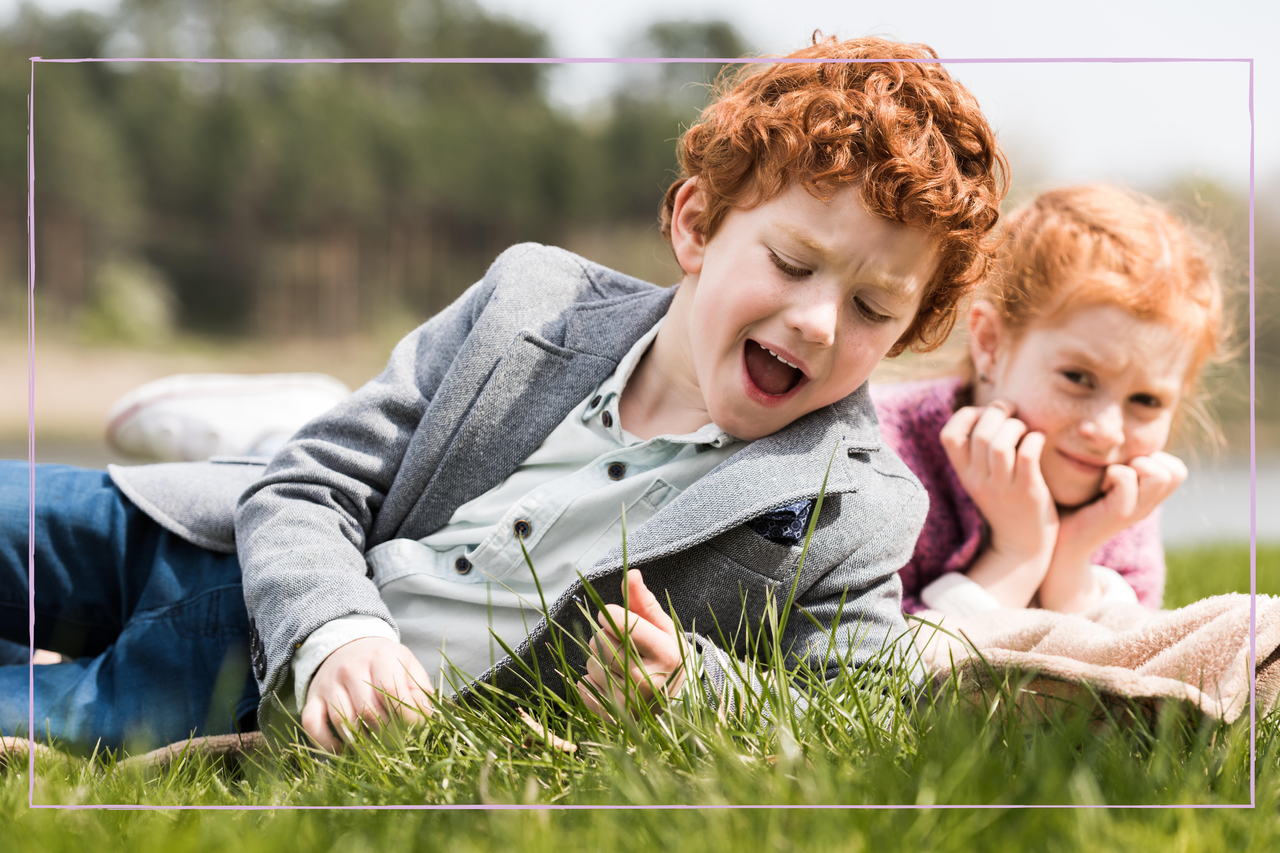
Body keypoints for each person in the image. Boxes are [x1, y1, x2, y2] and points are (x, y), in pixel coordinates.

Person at [0, 34, 1007, 754]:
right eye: (790, 263)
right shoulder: (533, 297)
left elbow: (862, 707)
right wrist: (336, 624)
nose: (818, 324)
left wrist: (693, 687)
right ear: (695, 224)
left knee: (43, 716)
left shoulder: (857, 504)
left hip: (229, 690)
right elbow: (308, 480)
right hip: (204, 541)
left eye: (873, 308)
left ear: (909, 330)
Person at [871, 185, 1225, 619]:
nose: (1106, 431)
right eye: (1078, 378)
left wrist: (1071, 562)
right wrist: (1017, 554)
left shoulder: (1120, 490)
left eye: (1147, 400)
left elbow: (1123, 661)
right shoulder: (882, 455)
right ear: (991, 345)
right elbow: (871, 663)